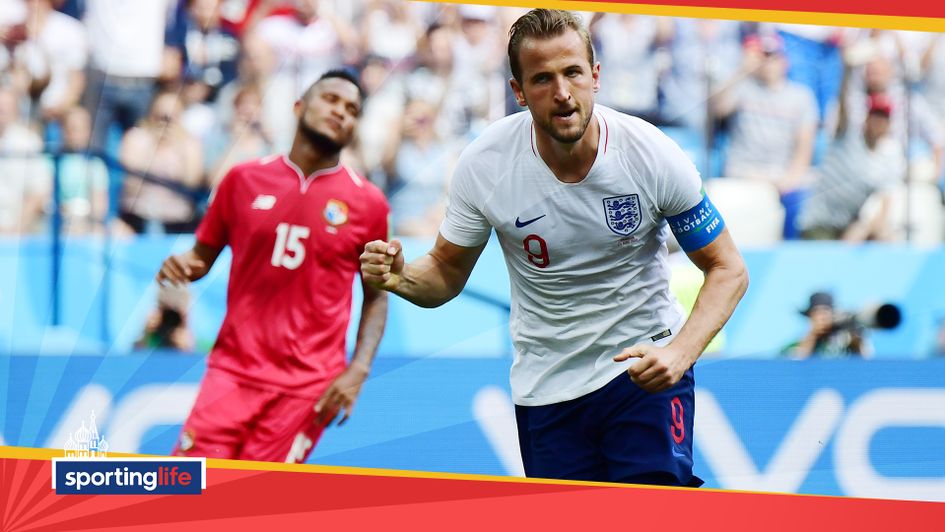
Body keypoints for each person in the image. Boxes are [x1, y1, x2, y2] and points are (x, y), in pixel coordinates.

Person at [360, 9, 748, 486]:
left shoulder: (652, 154)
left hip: (642, 372)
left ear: (595, 76)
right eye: (542, 79)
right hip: (547, 389)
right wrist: (401, 277)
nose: (562, 93)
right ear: (518, 92)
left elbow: (728, 269)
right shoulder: (486, 165)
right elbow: (444, 270)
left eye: (572, 73)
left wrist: (680, 353)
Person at [157, 70, 390, 463]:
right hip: (232, 371)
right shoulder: (242, 180)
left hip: (306, 386)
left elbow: (377, 298)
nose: (341, 112)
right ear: (299, 106)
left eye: (351, 109)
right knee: (186, 492)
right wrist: (184, 264)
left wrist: (359, 370)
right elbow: (202, 257)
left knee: (253, 506)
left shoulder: (369, 204)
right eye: (331, 100)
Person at [799, 94, 905, 241]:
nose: (878, 123)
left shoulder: (890, 153)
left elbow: (886, 199)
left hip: (850, 223)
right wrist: (847, 74)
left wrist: (866, 227)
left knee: (887, 237)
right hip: (821, 222)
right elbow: (843, 108)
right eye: (875, 117)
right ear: (866, 118)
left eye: (883, 119)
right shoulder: (846, 136)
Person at [783, 292, 869, 358]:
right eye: (817, 312)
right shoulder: (796, 345)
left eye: (825, 312)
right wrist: (812, 336)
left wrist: (856, 339)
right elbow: (796, 363)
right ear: (810, 316)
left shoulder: (845, 341)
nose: (822, 317)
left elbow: (866, 361)